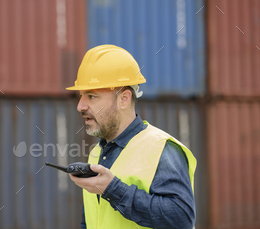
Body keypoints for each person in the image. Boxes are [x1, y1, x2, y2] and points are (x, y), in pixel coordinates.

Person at [66, 45, 197, 229]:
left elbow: (182, 219)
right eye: (81, 96)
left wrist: (112, 189)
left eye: (92, 96)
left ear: (124, 99)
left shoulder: (160, 148)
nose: (80, 106)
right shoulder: (97, 153)